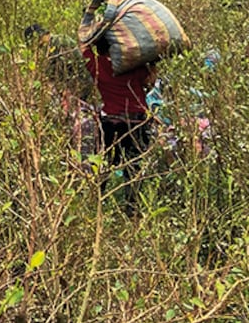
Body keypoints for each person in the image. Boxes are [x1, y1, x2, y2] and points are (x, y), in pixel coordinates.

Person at [84, 35, 156, 215]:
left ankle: (97, 204)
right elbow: (150, 82)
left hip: (109, 122)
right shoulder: (132, 65)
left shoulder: (96, 65)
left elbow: (83, 45)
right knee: (133, 165)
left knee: (103, 164)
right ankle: (132, 208)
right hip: (135, 121)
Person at [25, 24, 98, 160]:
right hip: (83, 84)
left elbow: (52, 76)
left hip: (76, 87)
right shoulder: (61, 39)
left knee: (74, 122)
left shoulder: (54, 46)